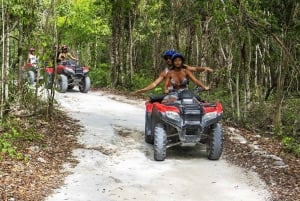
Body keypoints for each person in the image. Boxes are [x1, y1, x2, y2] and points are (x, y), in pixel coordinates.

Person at [134, 49, 213, 94]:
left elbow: (195, 70)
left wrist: (205, 68)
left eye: (170, 58)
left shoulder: (184, 68)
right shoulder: (166, 72)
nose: (168, 60)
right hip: (172, 93)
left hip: (185, 93)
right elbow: (155, 83)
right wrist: (145, 89)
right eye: (166, 58)